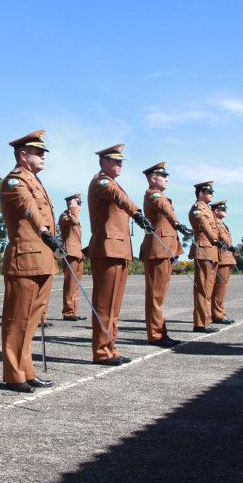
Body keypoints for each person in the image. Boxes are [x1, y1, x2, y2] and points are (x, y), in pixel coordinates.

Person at [0, 130, 62, 392]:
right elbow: (29, 208)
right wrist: (45, 232)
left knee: (32, 320)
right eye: (38, 152)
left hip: (43, 258)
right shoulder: (14, 181)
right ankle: (14, 374)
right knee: (17, 320)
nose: (43, 156)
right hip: (25, 259)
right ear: (23, 155)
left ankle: (26, 370)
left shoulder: (35, 181)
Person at [86, 144, 154, 366]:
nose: (120, 164)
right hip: (107, 250)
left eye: (121, 161)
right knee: (105, 305)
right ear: (104, 161)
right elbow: (116, 196)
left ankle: (110, 348)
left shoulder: (113, 182)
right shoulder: (101, 181)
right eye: (116, 161)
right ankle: (101, 351)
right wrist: (137, 213)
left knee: (114, 306)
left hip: (119, 249)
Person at [137, 162, 187, 347]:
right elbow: (163, 207)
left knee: (159, 296)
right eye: (163, 176)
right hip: (158, 250)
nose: (167, 179)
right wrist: (178, 223)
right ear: (153, 179)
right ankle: (156, 335)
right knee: (155, 296)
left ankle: (160, 332)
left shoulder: (160, 195)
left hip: (165, 249)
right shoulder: (153, 194)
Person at [187, 181, 221, 334]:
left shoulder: (208, 209)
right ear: (201, 193)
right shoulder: (197, 208)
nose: (212, 194)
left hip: (211, 251)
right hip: (204, 250)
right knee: (202, 289)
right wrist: (216, 239)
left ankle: (205, 320)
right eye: (209, 192)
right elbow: (204, 225)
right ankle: (201, 323)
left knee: (208, 288)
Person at [59, 194, 87, 321]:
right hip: (70, 253)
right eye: (78, 203)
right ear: (71, 204)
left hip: (78, 253)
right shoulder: (65, 216)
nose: (80, 205)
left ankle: (74, 311)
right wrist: (73, 208)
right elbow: (73, 221)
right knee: (70, 283)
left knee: (76, 285)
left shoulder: (74, 217)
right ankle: (68, 312)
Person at [210, 200, 238, 324]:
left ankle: (219, 313)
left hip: (227, 258)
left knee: (222, 288)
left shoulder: (221, 223)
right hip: (222, 258)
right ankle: (218, 315)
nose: (225, 211)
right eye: (223, 209)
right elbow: (223, 238)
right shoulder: (217, 223)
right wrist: (231, 246)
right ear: (216, 211)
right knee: (219, 288)